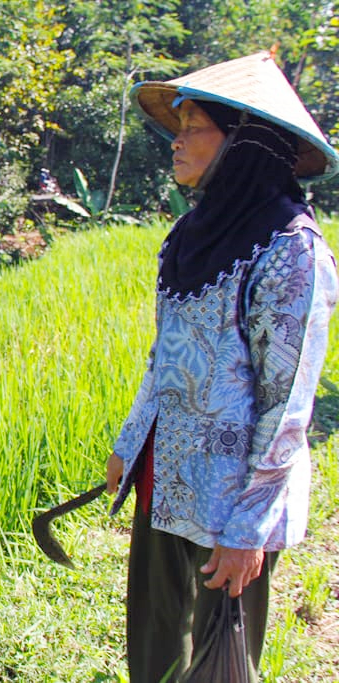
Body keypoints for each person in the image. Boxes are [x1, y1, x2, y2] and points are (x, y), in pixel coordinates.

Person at [104, 51, 339, 682]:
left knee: (219, 662)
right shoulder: (191, 235)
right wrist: (130, 444)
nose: (176, 143)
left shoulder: (292, 252)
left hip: (232, 496)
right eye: (176, 128)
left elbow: (288, 402)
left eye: (193, 128)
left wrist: (250, 528)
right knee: (154, 646)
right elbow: (164, 358)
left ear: (241, 143)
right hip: (168, 475)